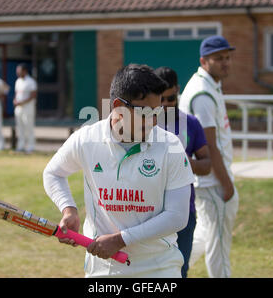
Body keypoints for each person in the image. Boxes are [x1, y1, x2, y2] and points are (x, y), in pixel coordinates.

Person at [43, 64, 195, 278]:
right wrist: (69, 210)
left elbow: (177, 216)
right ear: (118, 107)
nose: (153, 121)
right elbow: (53, 173)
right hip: (104, 269)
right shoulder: (87, 139)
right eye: (144, 112)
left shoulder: (170, 145)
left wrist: (120, 239)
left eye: (157, 112)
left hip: (159, 268)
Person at [179, 35, 239, 278]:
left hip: (205, 181)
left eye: (227, 57)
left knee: (205, 237)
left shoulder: (208, 84)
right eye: (218, 59)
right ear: (204, 61)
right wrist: (226, 184)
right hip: (211, 182)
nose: (226, 63)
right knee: (219, 247)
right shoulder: (203, 93)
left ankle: (168, 271)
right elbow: (210, 145)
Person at [154, 66, 211, 278]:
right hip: (149, 212)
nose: (166, 104)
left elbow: (207, 165)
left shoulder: (191, 124)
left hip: (184, 213)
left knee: (179, 270)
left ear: (177, 90)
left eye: (171, 98)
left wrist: (186, 163)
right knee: (150, 270)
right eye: (161, 99)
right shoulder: (144, 124)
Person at [14, 63, 37, 153]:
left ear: (25, 71)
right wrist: (15, 101)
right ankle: (21, 146)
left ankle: (31, 146)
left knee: (28, 127)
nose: (18, 73)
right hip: (19, 108)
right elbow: (17, 94)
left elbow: (33, 95)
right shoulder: (18, 81)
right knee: (20, 127)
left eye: (19, 71)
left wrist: (22, 102)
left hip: (28, 108)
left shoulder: (31, 81)